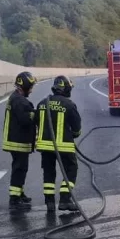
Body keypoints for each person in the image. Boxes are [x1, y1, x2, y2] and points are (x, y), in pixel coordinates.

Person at [35, 76, 82, 213]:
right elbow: (77, 128)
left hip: (45, 146)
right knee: (71, 169)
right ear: (66, 89)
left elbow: (37, 122)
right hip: (64, 146)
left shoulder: (42, 103)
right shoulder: (69, 105)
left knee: (49, 173)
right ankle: (65, 199)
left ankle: (49, 202)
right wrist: (74, 134)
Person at [2, 71, 38, 210]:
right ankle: (15, 199)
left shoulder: (16, 98)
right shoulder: (19, 101)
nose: (32, 90)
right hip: (18, 141)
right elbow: (25, 119)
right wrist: (36, 114)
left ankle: (19, 193)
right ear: (25, 86)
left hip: (17, 140)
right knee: (19, 169)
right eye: (31, 86)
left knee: (21, 168)